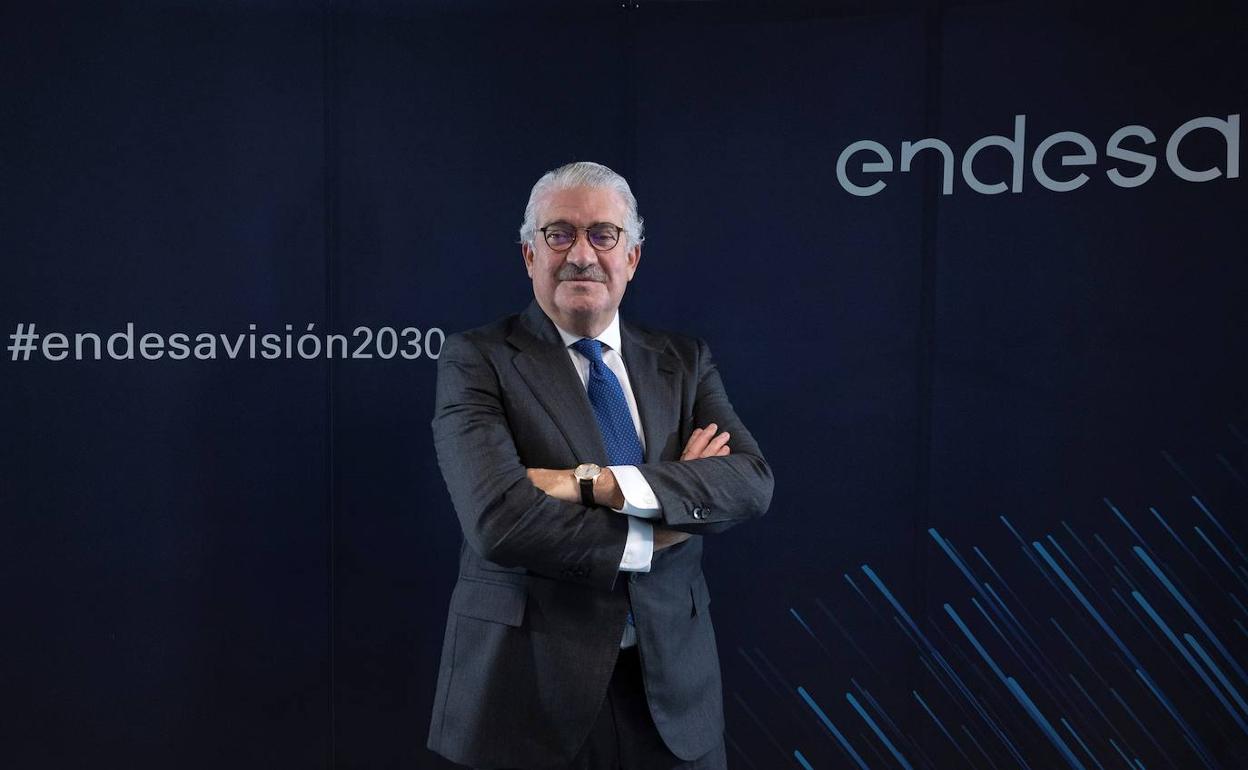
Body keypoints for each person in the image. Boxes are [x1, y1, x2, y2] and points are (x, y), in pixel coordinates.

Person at [426, 161, 773, 770]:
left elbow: (748, 482)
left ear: (631, 258)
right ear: (530, 255)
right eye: (559, 234)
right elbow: (499, 520)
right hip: (527, 696)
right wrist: (659, 528)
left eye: (602, 235)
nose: (581, 255)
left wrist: (592, 484)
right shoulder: (476, 359)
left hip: (673, 698)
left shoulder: (684, 361)